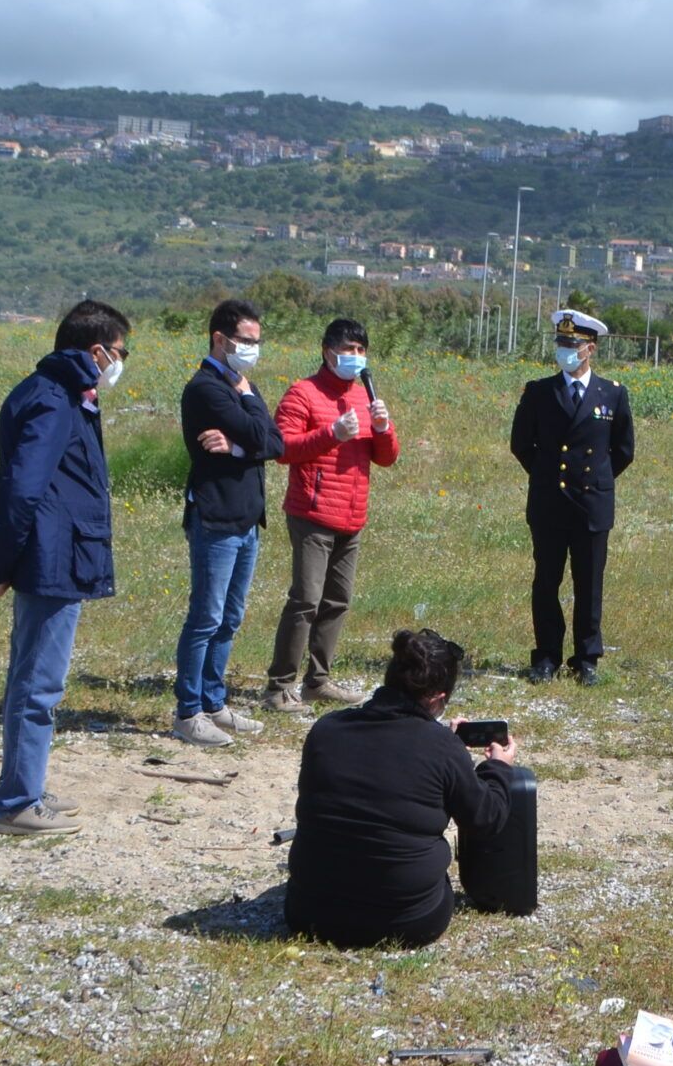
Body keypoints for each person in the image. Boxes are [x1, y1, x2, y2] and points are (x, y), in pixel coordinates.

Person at [0, 299, 130, 836]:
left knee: (35, 679)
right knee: (38, 685)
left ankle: (27, 785)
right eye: (119, 352)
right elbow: (20, 489)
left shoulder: (55, 392)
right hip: (51, 558)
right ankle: (17, 803)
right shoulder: (55, 400)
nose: (120, 362)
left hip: (58, 553)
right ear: (95, 351)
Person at [286, 629, 519, 949]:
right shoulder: (442, 747)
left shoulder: (326, 730)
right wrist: (497, 767)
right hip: (406, 920)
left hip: (308, 913)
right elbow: (487, 818)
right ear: (438, 699)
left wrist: (446, 745)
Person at [265, 316, 399, 712]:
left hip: (351, 516)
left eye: (361, 351)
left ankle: (317, 681)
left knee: (337, 601)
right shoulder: (302, 393)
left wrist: (383, 427)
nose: (354, 357)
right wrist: (331, 434)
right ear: (327, 351)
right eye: (347, 350)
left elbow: (387, 458)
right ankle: (279, 687)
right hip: (312, 513)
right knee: (305, 600)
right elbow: (282, 448)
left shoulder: (364, 396)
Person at [173, 299, 284, 745]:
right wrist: (248, 408)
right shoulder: (207, 388)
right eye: (245, 341)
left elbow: (274, 443)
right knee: (205, 617)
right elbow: (263, 434)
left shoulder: (241, 385)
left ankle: (214, 701)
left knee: (230, 618)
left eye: (257, 342)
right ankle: (188, 711)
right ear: (220, 339)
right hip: (215, 517)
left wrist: (238, 446)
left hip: (246, 519)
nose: (252, 350)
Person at [510, 310, 635, 685]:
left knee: (589, 583)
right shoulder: (539, 392)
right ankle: (546, 656)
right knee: (547, 581)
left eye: (573, 345)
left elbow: (623, 450)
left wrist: (595, 480)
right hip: (549, 503)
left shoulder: (612, 393)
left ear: (590, 349)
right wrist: (550, 477)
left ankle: (586, 658)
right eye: (561, 344)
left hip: (592, 503)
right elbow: (521, 445)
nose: (565, 351)